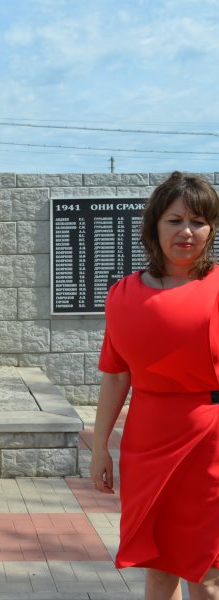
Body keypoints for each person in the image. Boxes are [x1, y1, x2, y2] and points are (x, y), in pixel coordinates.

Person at [91, 172, 219, 599]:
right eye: (175, 220)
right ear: (154, 226)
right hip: (147, 443)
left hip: (211, 442)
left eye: (198, 222)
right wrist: (99, 447)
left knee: (206, 574)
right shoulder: (123, 294)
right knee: (158, 568)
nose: (187, 232)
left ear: (211, 230)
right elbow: (116, 376)